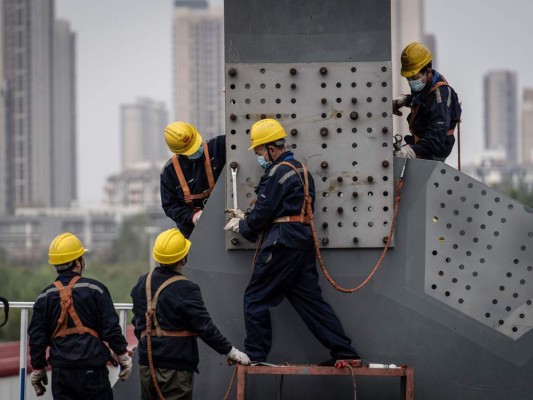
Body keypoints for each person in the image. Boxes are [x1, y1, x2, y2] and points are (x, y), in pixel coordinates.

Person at [224, 118, 361, 364]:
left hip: (282, 244)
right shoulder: (303, 171)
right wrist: (251, 217)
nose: (260, 158)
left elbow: (262, 215)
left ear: (271, 149)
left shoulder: (276, 173)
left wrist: (243, 224)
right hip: (301, 242)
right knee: (310, 303)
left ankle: (255, 355)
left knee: (255, 297)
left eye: (259, 152)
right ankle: (346, 353)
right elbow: (288, 207)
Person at [130, 228, 250, 400]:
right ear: (183, 257)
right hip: (175, 369)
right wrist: (231, 352)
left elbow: (138, 322)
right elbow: (205, 327)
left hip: (147, 366)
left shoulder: (143, 282)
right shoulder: (186, 288)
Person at [28, 232, 132, 399]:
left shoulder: (44, 297)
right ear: (78, 261)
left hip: (61, 373)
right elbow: (110, 327)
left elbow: (36, 338)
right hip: (92, 370)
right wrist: (122, 355)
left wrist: (38, 368)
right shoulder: (95, 290)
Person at [393, 42, 462, 161]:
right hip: (421, 142)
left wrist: (411, 151)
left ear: (427, 70)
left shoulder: (440, 96)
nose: (411, 81)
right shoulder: (428, 84)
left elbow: (436, 138)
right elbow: (426, 104)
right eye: (408, 78)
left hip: (433, 151)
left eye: (414, 78)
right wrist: (406, 100)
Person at [160, 121, 226, 238]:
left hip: (225, 222)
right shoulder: (169, 173)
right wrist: (192, 216)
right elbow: (170, 206)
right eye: (192, 149)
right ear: (179, 152)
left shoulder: (218, 148)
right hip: (193, 234)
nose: (197, 150)